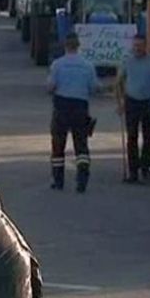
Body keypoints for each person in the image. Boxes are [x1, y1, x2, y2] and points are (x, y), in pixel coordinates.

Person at [48, 33, 100, 193]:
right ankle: (82, 180)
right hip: (80, 106)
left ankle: (58, 181)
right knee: (81, 144)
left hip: (62, 105)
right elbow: (94, 88)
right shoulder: (88, 65)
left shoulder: (57, 65)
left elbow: (51, 87)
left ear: (65, 46)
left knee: (58, 145)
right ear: (78, 46)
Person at [116, 34, 150, 184]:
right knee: (132, 137)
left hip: (149, 101)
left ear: (145, 46)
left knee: (149, 136)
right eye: (135, 45)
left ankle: (146, 168)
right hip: (132, 101)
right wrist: (120, 102)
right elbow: (119, 82)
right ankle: (133, 171)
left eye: (140, 45)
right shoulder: (127, 61)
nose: (137, 48)